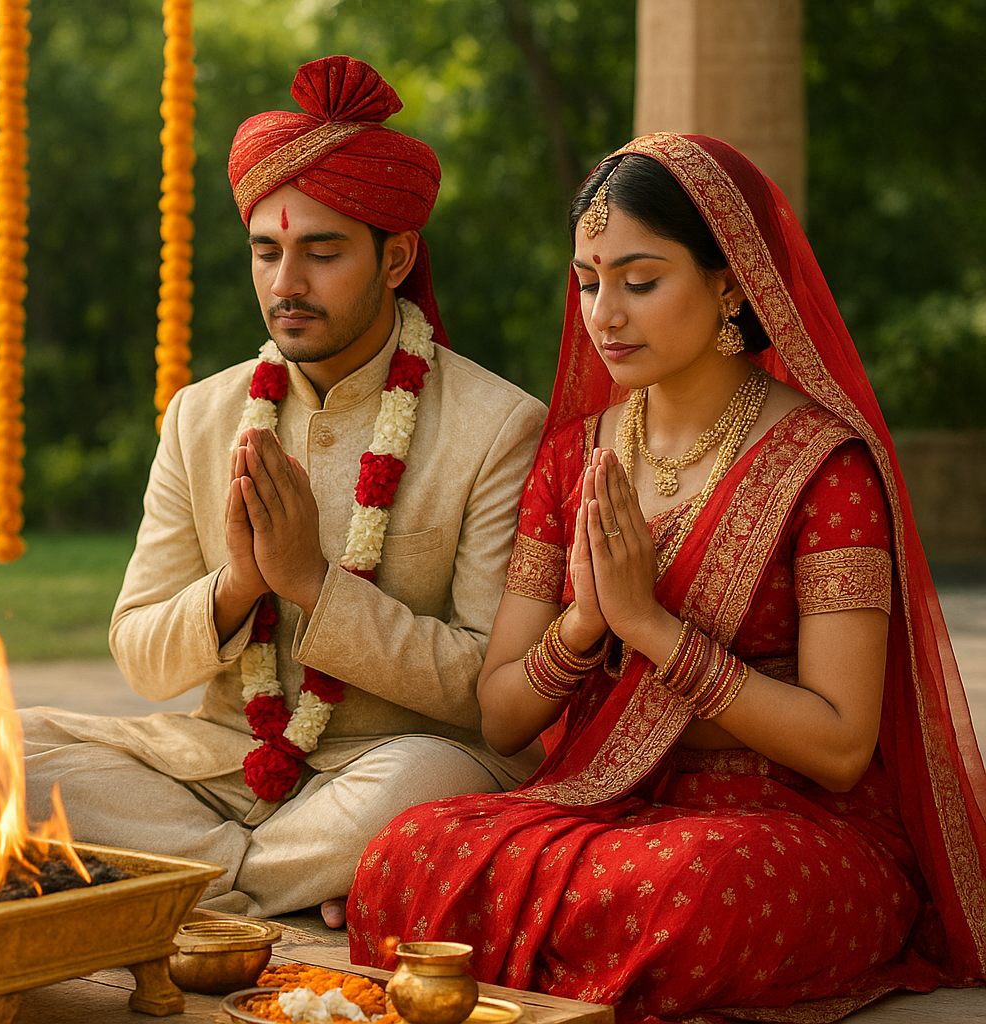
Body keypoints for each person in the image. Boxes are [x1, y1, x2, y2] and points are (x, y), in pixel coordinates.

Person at [348, 134, 986, 1021]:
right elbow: (501, 715)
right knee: (404, 854)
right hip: (605, 797)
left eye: (640, 282)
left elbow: (842, 747)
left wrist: (651, 628)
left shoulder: (823, 467)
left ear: (732, 284)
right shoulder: (576, 458)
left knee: (688, 892)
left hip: (789, 827)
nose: (604, 314)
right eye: (588, 281)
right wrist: (582, 627)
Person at [18, 55, 548, 928]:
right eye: (266, 252)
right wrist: (239, 585)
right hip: (219, 767)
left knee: (431, 783)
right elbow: (140, 654)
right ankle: (289, 881)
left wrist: (312, 585)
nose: (285, 284)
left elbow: (486, 691)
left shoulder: (496, 425)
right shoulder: (201, 414)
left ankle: (183, 889)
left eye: (321, 252)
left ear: (397, 257)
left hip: (382, 766)